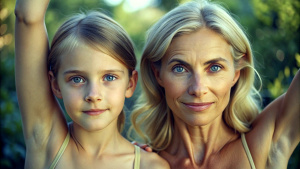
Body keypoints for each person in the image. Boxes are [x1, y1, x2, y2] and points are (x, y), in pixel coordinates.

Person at [131, 0, 300, 168]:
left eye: (214, 67)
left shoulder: (265, 143)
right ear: (157, 74)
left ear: (236, 73)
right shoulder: (141, 162)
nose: (198, 89)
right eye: (180, 69)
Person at [14, 0, 170, 168]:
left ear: (130, 84)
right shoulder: (46, 142)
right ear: (56, 85)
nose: (93, 95)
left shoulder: (151, 166)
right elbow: (27, 17)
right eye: (77, 79)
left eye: (109, 77)